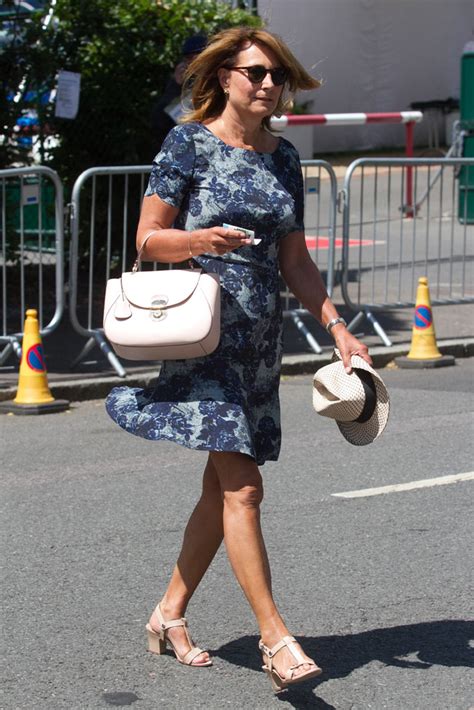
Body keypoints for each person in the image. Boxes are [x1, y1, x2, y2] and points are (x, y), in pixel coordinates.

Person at [106, 26, 372, 692]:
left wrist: (337, 325)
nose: (268, 85)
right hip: (205, 339)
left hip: (259, 344)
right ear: (223, 77)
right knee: (245, 489)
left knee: (217, 491)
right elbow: (147, 239)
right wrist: (200, 238)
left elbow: (295, 260)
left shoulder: (283, 157)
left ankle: (168, 614)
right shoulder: (188, 144)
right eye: (255, 72)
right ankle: (277, 640)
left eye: (276, 75)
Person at [150, 33, 207, 153]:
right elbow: (159, 121)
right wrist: (176, 85)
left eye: (196, 57)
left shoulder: (222, 78)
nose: (193, 63)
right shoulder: (181, 84)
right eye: (188, 58)